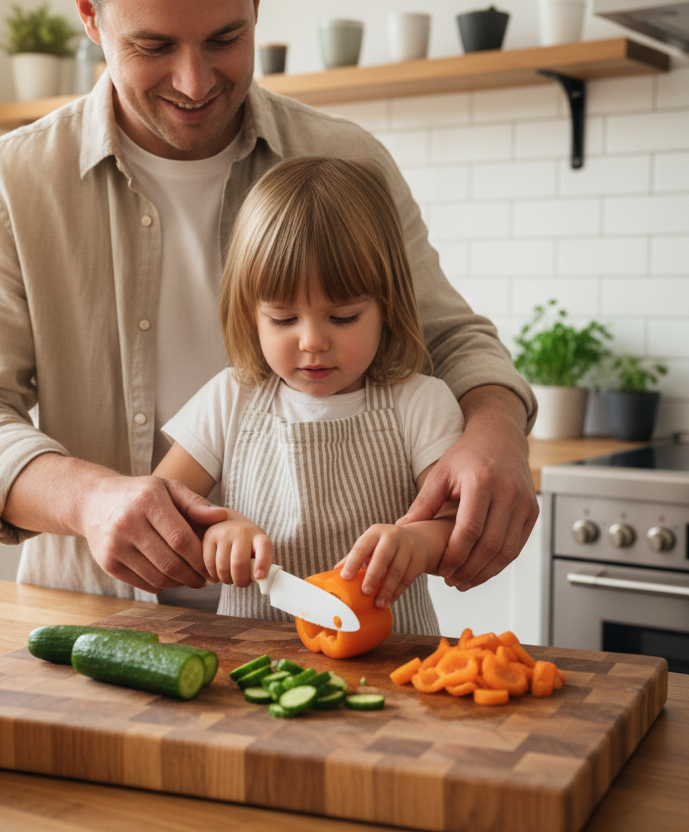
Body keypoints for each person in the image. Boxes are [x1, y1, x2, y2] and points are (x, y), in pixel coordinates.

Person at [0, 0, 538, 606]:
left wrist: (498, 430)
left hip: (324, 633)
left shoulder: (350, 162)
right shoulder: (10, 183)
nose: (194, 82)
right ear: (90, 15)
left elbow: (451, 341)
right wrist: (89, 500)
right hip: (96, 614)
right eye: (153, 45)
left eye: (225, 39)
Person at [155, 156, 461, 634]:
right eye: (283, 319)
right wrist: (216, 529)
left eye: (343, 317)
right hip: (254, 656)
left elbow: (456, 523)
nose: (312, 341)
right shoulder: (230, 397)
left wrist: (420, 543)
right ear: (250, 313)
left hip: (393, 659)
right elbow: (161, 509)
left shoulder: (421, 403)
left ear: (387, 305)